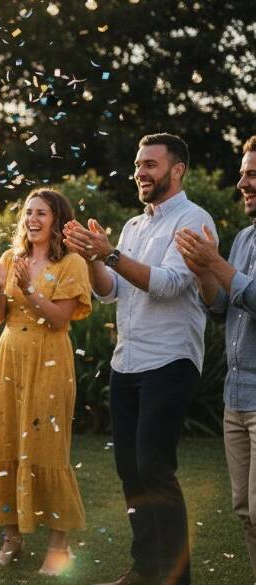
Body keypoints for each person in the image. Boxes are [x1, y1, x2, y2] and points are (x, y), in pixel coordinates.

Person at [64, 133, 216, 585]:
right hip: (126, 362)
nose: (140, 173)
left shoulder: (194, 219)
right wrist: (93, 258)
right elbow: (110, 292)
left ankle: (174, 577)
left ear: (177, 170)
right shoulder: (133, 226)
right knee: (130, 471)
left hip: (170, 361)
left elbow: (169, 283)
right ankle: (144, 568)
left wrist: (107, 252)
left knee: (154, 467)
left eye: (150, 164)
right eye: (137, 165)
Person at [0, 188, 91, 577]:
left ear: (57, 219)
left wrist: (26, 288)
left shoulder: (72, 263)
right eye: (28, 213)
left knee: (46, 448)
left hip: (49, 360)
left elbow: (59, 320)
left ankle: (60, 546)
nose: (32, 219)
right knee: (4, 440)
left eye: (41, 212)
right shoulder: (12, 258)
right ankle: (12, 539)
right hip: (9, 357)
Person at [174, 135, 256, 580]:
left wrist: (217, 264)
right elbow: (222, 307)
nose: (242, 182)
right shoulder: (244, 238)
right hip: (236, 398)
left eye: (252, 174)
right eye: (243, 173)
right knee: (244, 511)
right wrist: (205, 272)